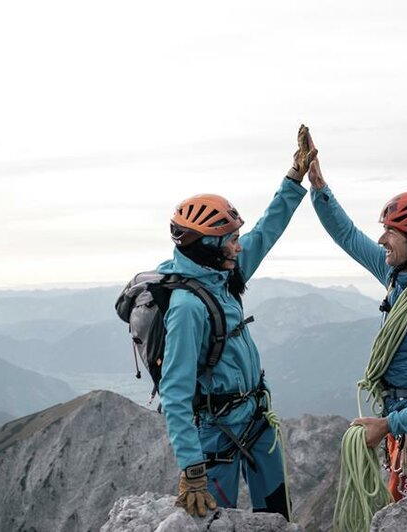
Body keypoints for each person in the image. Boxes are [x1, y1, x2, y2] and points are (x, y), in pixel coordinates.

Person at [158, 126, 317, 519]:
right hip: (215, 436)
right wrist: (192, 470)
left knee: (278, 518)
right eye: (230, 239)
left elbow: (266, 232)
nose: (238, 245)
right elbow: (175, 394)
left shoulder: (223, 274)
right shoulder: (187, 307)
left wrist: (294, 179)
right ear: (207, 246)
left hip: (257, 420)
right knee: (217, 521)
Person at [305, 137, 407, 500]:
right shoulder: (397, 279)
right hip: (404, 428)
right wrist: (318, 186)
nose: (381, 239)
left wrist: (387, 425)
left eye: (391, 233)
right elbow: (349, 237)